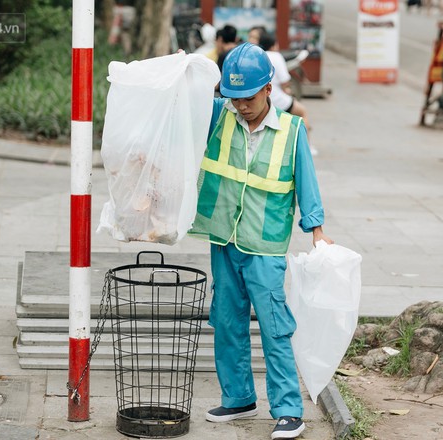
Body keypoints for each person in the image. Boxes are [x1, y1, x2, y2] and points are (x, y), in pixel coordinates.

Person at [188, 42, 333, 440]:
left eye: (248, 97)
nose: (241, 106)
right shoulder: (220, 117)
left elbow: (307, 181)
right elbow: (186, 99)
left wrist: (317, 228)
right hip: (224, 238)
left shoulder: (291, 131)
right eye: (233, 98)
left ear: (269, 89)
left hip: (265, 246)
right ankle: (238, 398)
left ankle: (288, 410)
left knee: (274, 327)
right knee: (227, 320)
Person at [257, 31, 315, 153]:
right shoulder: (276, 56)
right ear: (274, 45)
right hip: (275, 98)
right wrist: (287, 91)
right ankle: (307, 148)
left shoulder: (258, 56)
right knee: (302, 111)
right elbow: (285, 82)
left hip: (260, 98)